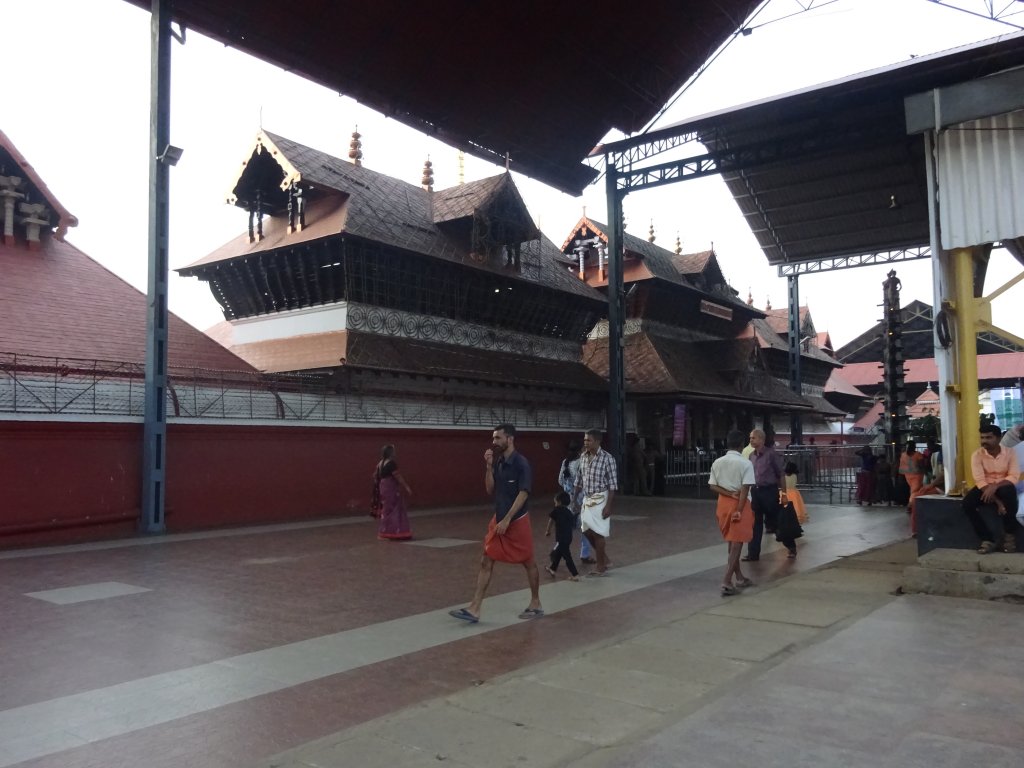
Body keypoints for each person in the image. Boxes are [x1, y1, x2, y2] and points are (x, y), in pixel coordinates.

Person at [449, 423, 543, 623]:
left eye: (498, 438)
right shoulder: (499, 462)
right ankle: (475, 608)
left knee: (528, 562)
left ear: (509, 439)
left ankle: (536, 603)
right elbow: (490, 489)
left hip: (516, 521)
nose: (494, 442)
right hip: (499, 520)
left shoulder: (521, 464)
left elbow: (524, 493)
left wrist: (509, 518)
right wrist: (489, 467)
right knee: (486, 559)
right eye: (493, 438)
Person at [708, 429, 756, 596]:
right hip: (739, 505)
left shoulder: (718, 462)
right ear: (742, 445)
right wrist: (739, 510)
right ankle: (727, 581)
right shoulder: (745, 464)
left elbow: (712, 486)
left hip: (723, 504)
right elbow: (745, 489)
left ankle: (740, 577)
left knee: (732, 541)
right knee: (737, 544)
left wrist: (728, 494)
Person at [963, 423, 1021, 554]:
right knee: (967, 504)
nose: (984, 441)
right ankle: (987, 539)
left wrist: (995, 486)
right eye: (982, 438)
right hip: (985, 487)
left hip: (1003, 485)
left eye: (989, 438)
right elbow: (979, 480)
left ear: (999, 438)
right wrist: (998, 502)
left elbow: (1013, 476)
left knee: (1009, 493)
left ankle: (1009, 536)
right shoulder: (977, 455)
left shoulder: (1010, 453)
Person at [744, 428, 796, 560]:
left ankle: (790, 545)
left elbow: (781, 475)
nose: (750, 440)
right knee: (755, 523)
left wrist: (784, 494)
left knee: (776, 522)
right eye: (750, 438)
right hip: (756, 491)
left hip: (769, 491)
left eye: (753, 438)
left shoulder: (771, 454)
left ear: (761, 439)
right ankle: (753, 554)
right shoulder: (751, 456)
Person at [576, 428, 619, 577]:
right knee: (586, 530)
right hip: (587, 499)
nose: (586, 443)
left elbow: (613, 485)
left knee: (598, 533)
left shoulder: (608, 459)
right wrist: (575, 499)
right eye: (585, 440)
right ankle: (605, 558)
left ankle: (601, 566)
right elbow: (579, 479)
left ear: (598, 441)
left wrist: (608, 506)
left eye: (589, 440)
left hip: (601, 498)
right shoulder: (583, 457)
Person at [558, 441, 593, 563]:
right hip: (580, 500)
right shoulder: (581, 463)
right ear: (580, 451)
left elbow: (560, 481)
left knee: (566, 530)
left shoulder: (565, 462)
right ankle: (585, 554)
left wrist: (568, 490)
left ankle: (556, 553)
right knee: (586, 528)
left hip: (567, 500)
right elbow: (584, 483)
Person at [374, 444, 413, 540]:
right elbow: (398, 476)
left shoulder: (380, 463)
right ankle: (395, 531)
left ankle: (384, 531)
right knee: (395, 509)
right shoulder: (391, 463)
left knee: (386, 509)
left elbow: (376, 476)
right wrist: (406, 486)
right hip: (390, 487)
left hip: (383, 487)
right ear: (390, 453)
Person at [909, 445, 944, 536]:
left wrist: (931, 484)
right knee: (916, 496)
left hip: (940, 486)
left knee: (917, 498)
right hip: (930, 481)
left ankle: (916, 529)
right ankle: (916, 528)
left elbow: (943, 473)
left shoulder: (938, 455)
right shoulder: (935, 455)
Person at [545, 491, 580, 581]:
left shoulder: (556, 510)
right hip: (568, 537)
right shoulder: (569, 512)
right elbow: (573, 523)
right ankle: (552, 568)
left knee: (567, 556)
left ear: (559, 502)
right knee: (559, 553)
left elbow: (551, 521)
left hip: (561, 538)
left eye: (555, 502)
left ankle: (575, 574)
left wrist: (548, 531)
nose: (555, 504)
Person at [896, 441, 924, 508]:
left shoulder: (903, 455)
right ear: (914, 446)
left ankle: (915, 503)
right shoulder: (918, 454)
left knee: (914, 489)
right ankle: (910, 504)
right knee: (914, 490)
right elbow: (921, 465)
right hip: (917, 475)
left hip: (907, 475)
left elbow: (901, 467)